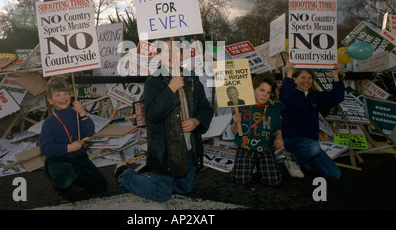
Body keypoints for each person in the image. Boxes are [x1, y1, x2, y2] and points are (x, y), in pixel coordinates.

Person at [114, 39, 214, 202]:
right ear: (159, 55)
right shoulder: (153, 81)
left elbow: (205, 109)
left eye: (175, 50)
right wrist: (171, 89)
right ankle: (125, 174)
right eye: (166, 51)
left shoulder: (192, 78)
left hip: (188, 148)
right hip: (165, 151)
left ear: (182, 55)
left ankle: (156, 176)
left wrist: (196, 121)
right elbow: (152, 115)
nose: (171, 55)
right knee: (161, 195)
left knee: (185, 188)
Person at [40, 76, 107, 195]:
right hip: (59, 160)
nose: (62, 98)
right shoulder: (49, 122)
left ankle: (75, 177)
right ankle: (61, 177)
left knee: (101, 186)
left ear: (70, 95)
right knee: (64, 181)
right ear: (50, 100)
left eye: (65, 94)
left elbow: (89, 132)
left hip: (79, 157)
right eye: (57, 95)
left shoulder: (75, 113)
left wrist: (83, 113)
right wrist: (69, 148)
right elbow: (45, 148)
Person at [280, 61, 344, 180]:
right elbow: (285, 96)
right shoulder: (291, 96)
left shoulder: (315, 97)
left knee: (334, 174)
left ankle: (305, 162)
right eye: (303, 77)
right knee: (313, 148)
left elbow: (337, 97)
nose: (307, 80)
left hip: (311, 144)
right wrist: (289, 72)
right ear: (294, 79)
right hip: (291, 141)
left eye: (310, 78)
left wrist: (336, 75)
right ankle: (292, 160)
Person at [230, 73, 283, 186]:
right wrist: (235, 122)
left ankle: (259, 166)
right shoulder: (241, 107)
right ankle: (251, 166)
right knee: (239, 179)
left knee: (273, 181)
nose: (264, 95)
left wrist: (279, 138)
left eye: (268, 92)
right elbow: (234, 131)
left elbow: (278, 129)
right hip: (245, 148)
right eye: (262, 90)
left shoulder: (273, 110)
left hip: (265, 149)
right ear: (253, 89)